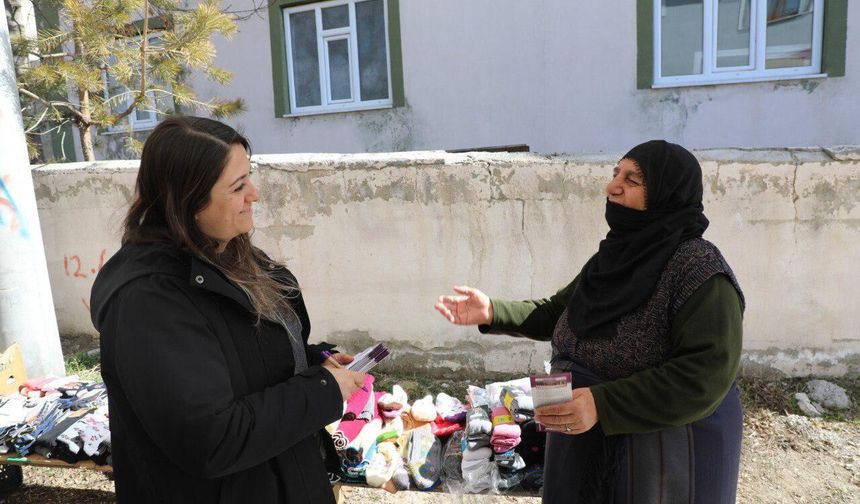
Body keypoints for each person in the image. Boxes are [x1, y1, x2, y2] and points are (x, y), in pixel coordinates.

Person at [435, 140, 744, 504]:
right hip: (584, 432)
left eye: (633, 179)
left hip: (659, 453)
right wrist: (493, 311)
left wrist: (603, 404)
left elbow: (703, 377)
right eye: (616, 174)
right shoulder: (614, 256)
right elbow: (560, 313)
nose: (612, 186)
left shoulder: (701, 272)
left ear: (666, 191)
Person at [90, 116, 366, 503]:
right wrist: (320, 391)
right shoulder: (148, 302)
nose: (254, 194)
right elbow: (211, 438)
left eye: (249, 177)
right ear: (189, 201)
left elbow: (245, 354)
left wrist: (313, 362)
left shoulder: (229, 252)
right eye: (237, 187)